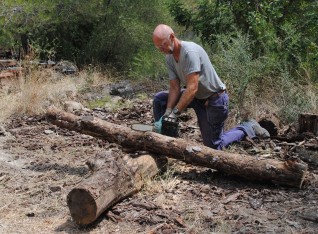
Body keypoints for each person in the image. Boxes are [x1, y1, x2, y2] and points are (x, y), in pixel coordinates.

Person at [152, 24, 269, 150]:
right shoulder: (169, 57)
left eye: (163, 44)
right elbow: (174, 87)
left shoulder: (189, 52)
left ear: (172, 37)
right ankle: (167, 139)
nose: (161, 49)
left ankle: (248, 127)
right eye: (158, 46)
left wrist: (175, 113)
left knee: (214, 146)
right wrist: (168, 111)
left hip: (214, 100)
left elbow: (192, 88)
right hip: (197, 98)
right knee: (160, 99)